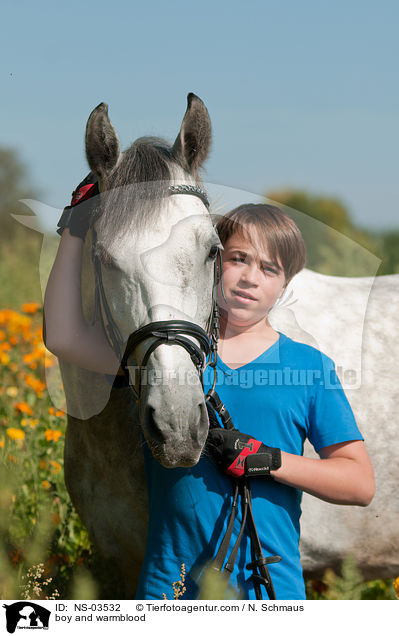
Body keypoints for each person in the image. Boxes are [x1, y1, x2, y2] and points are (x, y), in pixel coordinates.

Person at [43, 179, 375, 601]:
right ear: (213, 263)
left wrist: (267, 460)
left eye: (269, 268)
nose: (251, 278)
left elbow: (359, 483)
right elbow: (62, 335)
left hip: (269, 591)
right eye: (238, 259)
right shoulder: (164, 356)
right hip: (170, 591)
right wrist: (73, 226)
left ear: (286, 285)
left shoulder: (308, 368)